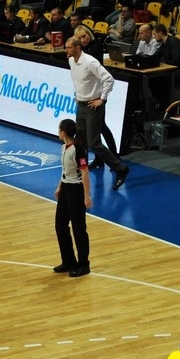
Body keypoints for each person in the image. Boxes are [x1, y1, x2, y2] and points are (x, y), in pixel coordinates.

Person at [65, 36, 129, 190]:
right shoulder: (71, 61)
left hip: (93, 106)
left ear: (77, 48)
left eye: (68, 47)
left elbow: (109, 79)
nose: (65, 50)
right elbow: (79, 81)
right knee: (80, 141)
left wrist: (102, 99)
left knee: (94, 142)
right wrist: (78, 95)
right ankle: (82, 169)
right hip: (81, 104)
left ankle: (121, 168)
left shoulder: (90, 62)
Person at [52, 118, 92, 278]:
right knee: (60, 225)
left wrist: (86, 196)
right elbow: (65, 170)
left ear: (63, 132)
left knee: (78, 228)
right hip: (66, 189)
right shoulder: (63, 148)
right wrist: (60, 186)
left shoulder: (78, 149)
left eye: (59, 129)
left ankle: (83, 264)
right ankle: (68, 260)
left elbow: (84, 173)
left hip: (76, 190)